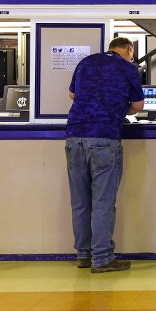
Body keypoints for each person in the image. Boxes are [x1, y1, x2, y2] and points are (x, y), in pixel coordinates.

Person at [65, 37, 143, 273]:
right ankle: (102, 258)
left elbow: (72, 95)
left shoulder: (85, 63)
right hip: (104, 137)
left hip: (74, 136)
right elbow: (138, 105)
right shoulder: (128, 68)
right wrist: (119, 109)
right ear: (129, 50)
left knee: (80, 201)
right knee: (103, 201)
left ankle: (84, 255)